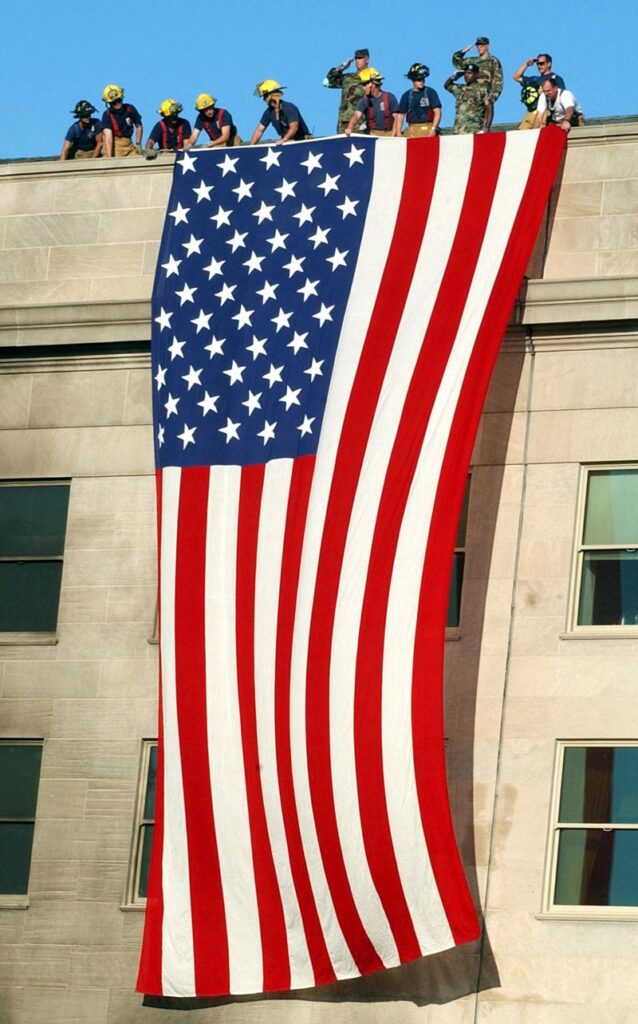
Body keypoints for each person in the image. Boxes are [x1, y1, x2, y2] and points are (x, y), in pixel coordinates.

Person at [452, 36, 503, 128]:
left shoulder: (493, 61)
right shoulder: (473, 61)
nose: (479, 48)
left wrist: (491, 99)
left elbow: (498, 82)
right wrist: (463, 51)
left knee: (482, 124)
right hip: (471, 95)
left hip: (484, 95)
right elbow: (456, 62)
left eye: (482, 45)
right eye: (477, 45)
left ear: (487, 46)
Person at [512, 54, 565, 129]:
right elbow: (516, 76)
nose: (539, 66)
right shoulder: (535, 79)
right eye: (537, 64)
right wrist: (526, 64)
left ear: (549, 63)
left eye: (542, 63)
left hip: (545, 111)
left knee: (539, 133)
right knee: (521, 134)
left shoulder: (555, 79)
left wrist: (544, 93)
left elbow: (560, 96)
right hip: (531, 112)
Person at [324, 48, 370, 133]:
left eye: (360, 58)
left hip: (360, 122)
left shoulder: (372, 77)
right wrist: (341, 67)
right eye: (356, 58)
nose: (357, 61)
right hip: (343, 121)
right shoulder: (348, 77)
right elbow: (327, 82)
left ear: (367, 59)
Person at [249, 81, 311, 145]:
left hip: (302, 142)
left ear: (271, 95)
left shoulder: (289, 108)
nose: (264, 99)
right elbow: (259, 130)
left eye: (265, 96)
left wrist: (284, 139)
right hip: (287, 143)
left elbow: (294, 128)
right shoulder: (269, 112)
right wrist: (250, 148)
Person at [345, 68, 399, 137]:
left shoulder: (390, 97)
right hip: (373, 134)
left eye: (364, 84)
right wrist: (350, 127)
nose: (363, 87)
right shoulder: (364, 100)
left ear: (372, 85)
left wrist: (393, 135)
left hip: (389, 134)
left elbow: (397, 118)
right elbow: (356, 115)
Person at [394, 63, 441, 138]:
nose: (421, 81)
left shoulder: (430, 92)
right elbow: (401, 115)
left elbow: (437, 111)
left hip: (427, 128)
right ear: (413, 80)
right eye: (419, 80)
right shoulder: (406, 95)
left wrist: (433, 129)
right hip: (411, 129)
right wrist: (399, 132)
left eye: (423, 79)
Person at [444, 63, 491, 135]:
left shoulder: (483, 90)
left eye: (470, 73)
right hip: (458, 131)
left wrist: (486, 128)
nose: (466, 75)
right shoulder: (460, 89)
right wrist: (453, 77)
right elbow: (447, 86)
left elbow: (489, 110)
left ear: (477, 75)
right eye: (465, 73)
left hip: (474, 130)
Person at [100, 84, 143, 158]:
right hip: (115, 145)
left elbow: (139, 126)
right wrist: (109, 157)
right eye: (114, 102)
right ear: (109, 103)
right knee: (117, 165)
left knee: (139, 160)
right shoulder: (107, 114)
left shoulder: (130, 109)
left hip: (129, 144)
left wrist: (138, 144)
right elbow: (108, 136)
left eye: (118, 100)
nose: (117, 104)